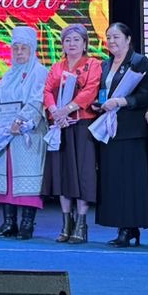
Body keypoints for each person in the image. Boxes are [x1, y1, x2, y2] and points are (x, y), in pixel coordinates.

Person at [96, 23, 148, 248]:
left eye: (116, 37)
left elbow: (146, 95)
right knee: (114, 180)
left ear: (128, 39)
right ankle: (122, 226)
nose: (112, 41)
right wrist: (99, 104)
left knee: (131, 180)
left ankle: (130, 228)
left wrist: (122, 101)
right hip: (110, 129)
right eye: (109, 37)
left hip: (131, 129)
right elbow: (103, 92)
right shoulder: (105, 64)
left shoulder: (139, 61)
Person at [43, 23, 102, 244]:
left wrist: (67, 109)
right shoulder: (56, 67)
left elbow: (91, 90)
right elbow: (47, 91)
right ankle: (66, 222)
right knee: (62, 173)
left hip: (82, 124)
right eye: (67, 40)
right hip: (60, 126)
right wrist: (54, 111)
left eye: (76, 39)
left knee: (82, 173)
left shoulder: (93, 64)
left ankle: (81, 224)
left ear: (85, 43)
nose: (72, 44)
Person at [0, 25, 47, 239]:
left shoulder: (39, 72)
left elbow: (37, 100)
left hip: (27, 133)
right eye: (15, 48)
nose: (19, 52)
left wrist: (20, 121)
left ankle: (27, 224)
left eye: (24, 48)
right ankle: (9, 223)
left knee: (26, 176)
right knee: (8, 176)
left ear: (32, 49)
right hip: (7, 133)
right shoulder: (8, 74)